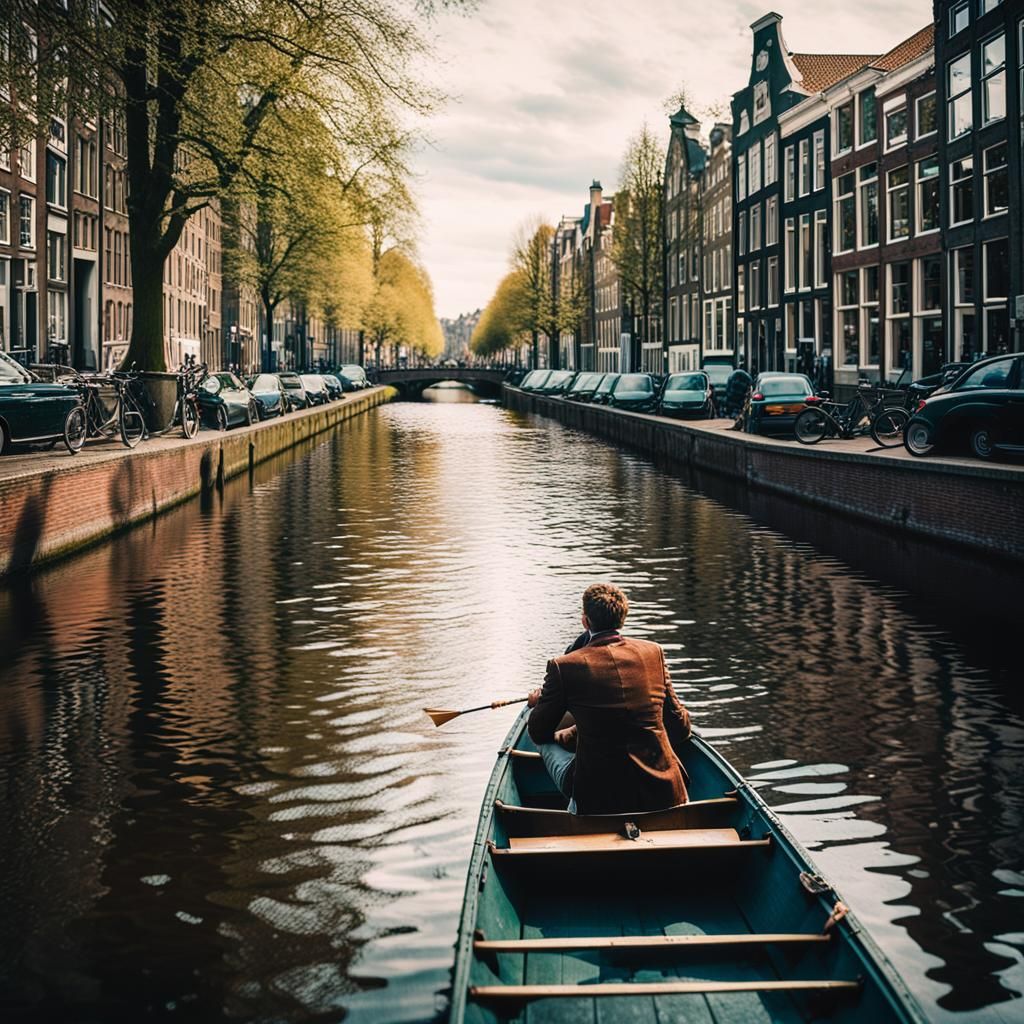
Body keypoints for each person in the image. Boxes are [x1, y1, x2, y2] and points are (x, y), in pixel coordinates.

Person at [527, 583, 691, 815]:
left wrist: (543, 711)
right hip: (664, 793)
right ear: (622, 619)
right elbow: (680, 727)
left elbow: (538, 732)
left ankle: (571, 808)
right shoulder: (654, 653)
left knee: (540, 738)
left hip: (598, 800)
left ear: (585, 621)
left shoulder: (563, 667)